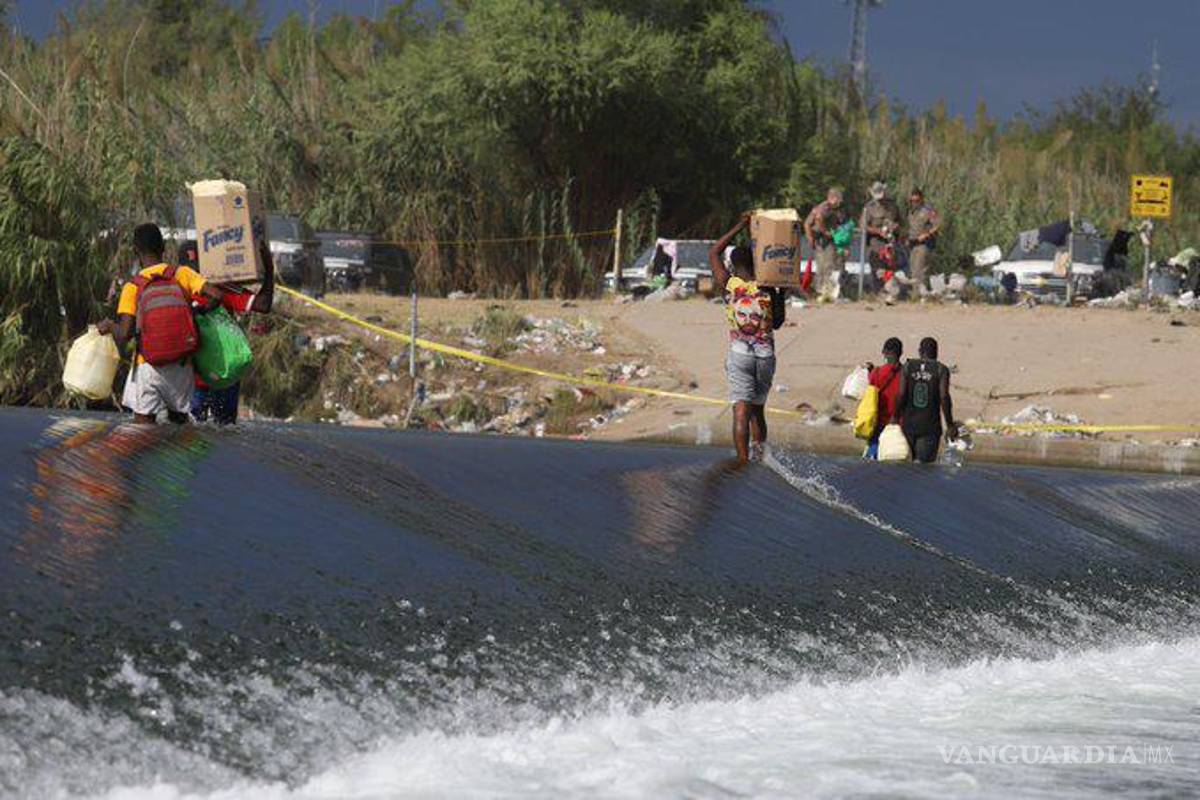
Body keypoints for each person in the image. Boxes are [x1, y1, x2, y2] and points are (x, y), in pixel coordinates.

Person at [97, 224, 222, 425]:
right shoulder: (182, 274)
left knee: (142, 432)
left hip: (148, 366)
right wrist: (195, 313)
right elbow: (216, 295)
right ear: (163, 247)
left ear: (135, 251)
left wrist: (109, 325)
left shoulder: (133, 286)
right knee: (180, 429)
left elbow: (124, 334)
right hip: (182, 365)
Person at [709, 214, 787, 463]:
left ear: (732, 265)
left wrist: (740, 225)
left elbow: (714, 251)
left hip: (741, 354)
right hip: (765, 356)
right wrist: (780, 293)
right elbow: (777, 322)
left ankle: (743, 463)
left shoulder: (729, 284)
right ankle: (760, 456)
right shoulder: (767, 287)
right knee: (757, 412)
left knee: (740, 411)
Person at [176, 239, 276, 424]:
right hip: (219, 377)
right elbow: (264, 304)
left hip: (194, 380)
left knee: (189, 437)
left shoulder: (175, 291)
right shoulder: (218, 288)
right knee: (224, 434)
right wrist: (269, 270)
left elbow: (263, 304)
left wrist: (269, 269)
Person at [892, 336, 959, 463]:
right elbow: (944, 397)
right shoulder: (941, 369)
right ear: (936, 352)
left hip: (908, 425)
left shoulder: (907, 366)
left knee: (906, 467)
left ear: (920, 351)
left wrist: (895, 417)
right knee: (923, 469)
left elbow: (901, 394)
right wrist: (950, 425)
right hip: (930, 427)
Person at [863, 337, 905, 460]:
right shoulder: (907, 373)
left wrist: (870, 371)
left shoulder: (877, 372)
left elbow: (871, 393)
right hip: (901, 424)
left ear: (884, 352)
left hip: (880, 423)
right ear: (901, 353)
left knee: (873, 458)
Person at [804, 187, 847, 295]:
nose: (839, 202)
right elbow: (817, 221)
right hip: (822, 240)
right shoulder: (824, 208)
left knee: (827, 265)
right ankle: (823, 290)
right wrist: (823, 233)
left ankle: (823, 289)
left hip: (828, 239)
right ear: (832, 198)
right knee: (826, 266)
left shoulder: (835, 209)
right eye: (838, 199)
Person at [905, 188, 941, 295]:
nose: (914, 203)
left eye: (916, 201)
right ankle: (915, 293)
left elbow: (937, 225)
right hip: (913, 244)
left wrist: (927, 234)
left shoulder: (928, 211)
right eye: (912, 201)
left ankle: (920, 295)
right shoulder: (911, 212)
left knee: (920, 270)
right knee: (913, 269)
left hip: (924, 244)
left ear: (921, 199)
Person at [861, 181, 902, 258]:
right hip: (876, 243)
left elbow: (900, 222)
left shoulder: (893, 205)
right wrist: (878, 231)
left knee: (891, 267)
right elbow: (863, 226)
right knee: (879, 267)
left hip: (892, 242)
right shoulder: (869, 207)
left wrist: (896, 226)